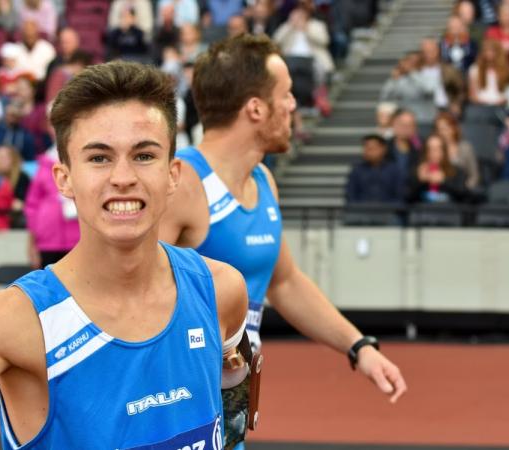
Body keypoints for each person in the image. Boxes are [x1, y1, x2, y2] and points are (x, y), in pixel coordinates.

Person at [0, 61, 249, 449]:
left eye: (144, 155)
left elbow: (233, 418)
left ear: (173, 174)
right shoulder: (16, 320)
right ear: (65, 178)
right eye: (99, 158)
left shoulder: (220, 289)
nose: (123, 177)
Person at [159, 34, 407, 448]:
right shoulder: (183, 182)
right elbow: (130, 294)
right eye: (287, 95)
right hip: (179, 409)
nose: (294, 105)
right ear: (255, 108)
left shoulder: (263, 181)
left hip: (230, 400)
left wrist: (358, 346)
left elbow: (285, 282)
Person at [407, 134, 469, 203]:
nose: (433, 153)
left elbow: (464, 198)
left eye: (437, 149)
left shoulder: (457, 171)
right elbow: (406, 200)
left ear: (444, 151)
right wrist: (420, 182)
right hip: (423, 212)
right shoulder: (417, 171)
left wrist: (444, 181)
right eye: (429, 149)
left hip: (449, 212)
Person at [345, 134, 402, 204]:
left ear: (383, 149)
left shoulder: (394, 170)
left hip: (388, 211)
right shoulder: (356, 170)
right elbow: (350, 195)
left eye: (371, 148)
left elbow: (400, 197)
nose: (368, 152)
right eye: (365, 148)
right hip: (361, 211)